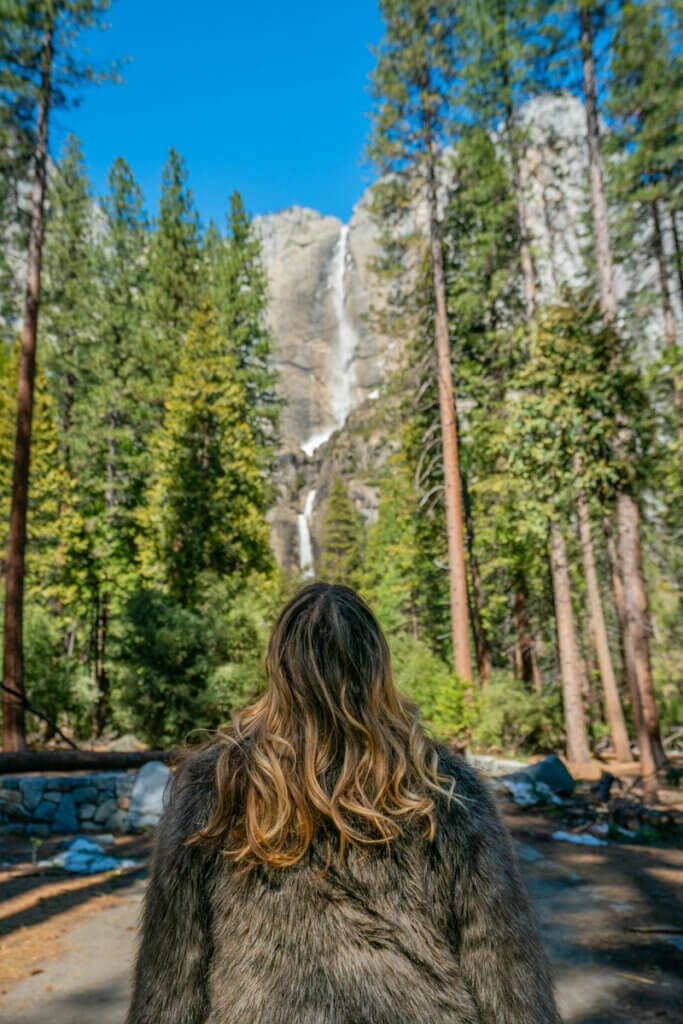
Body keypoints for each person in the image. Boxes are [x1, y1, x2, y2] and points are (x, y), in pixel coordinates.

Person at [126, 582, 561, 1023]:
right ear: (378, 669)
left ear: (277, 668)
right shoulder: (445, 787)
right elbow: (504, 968)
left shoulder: (214, 787)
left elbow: (171, 979)